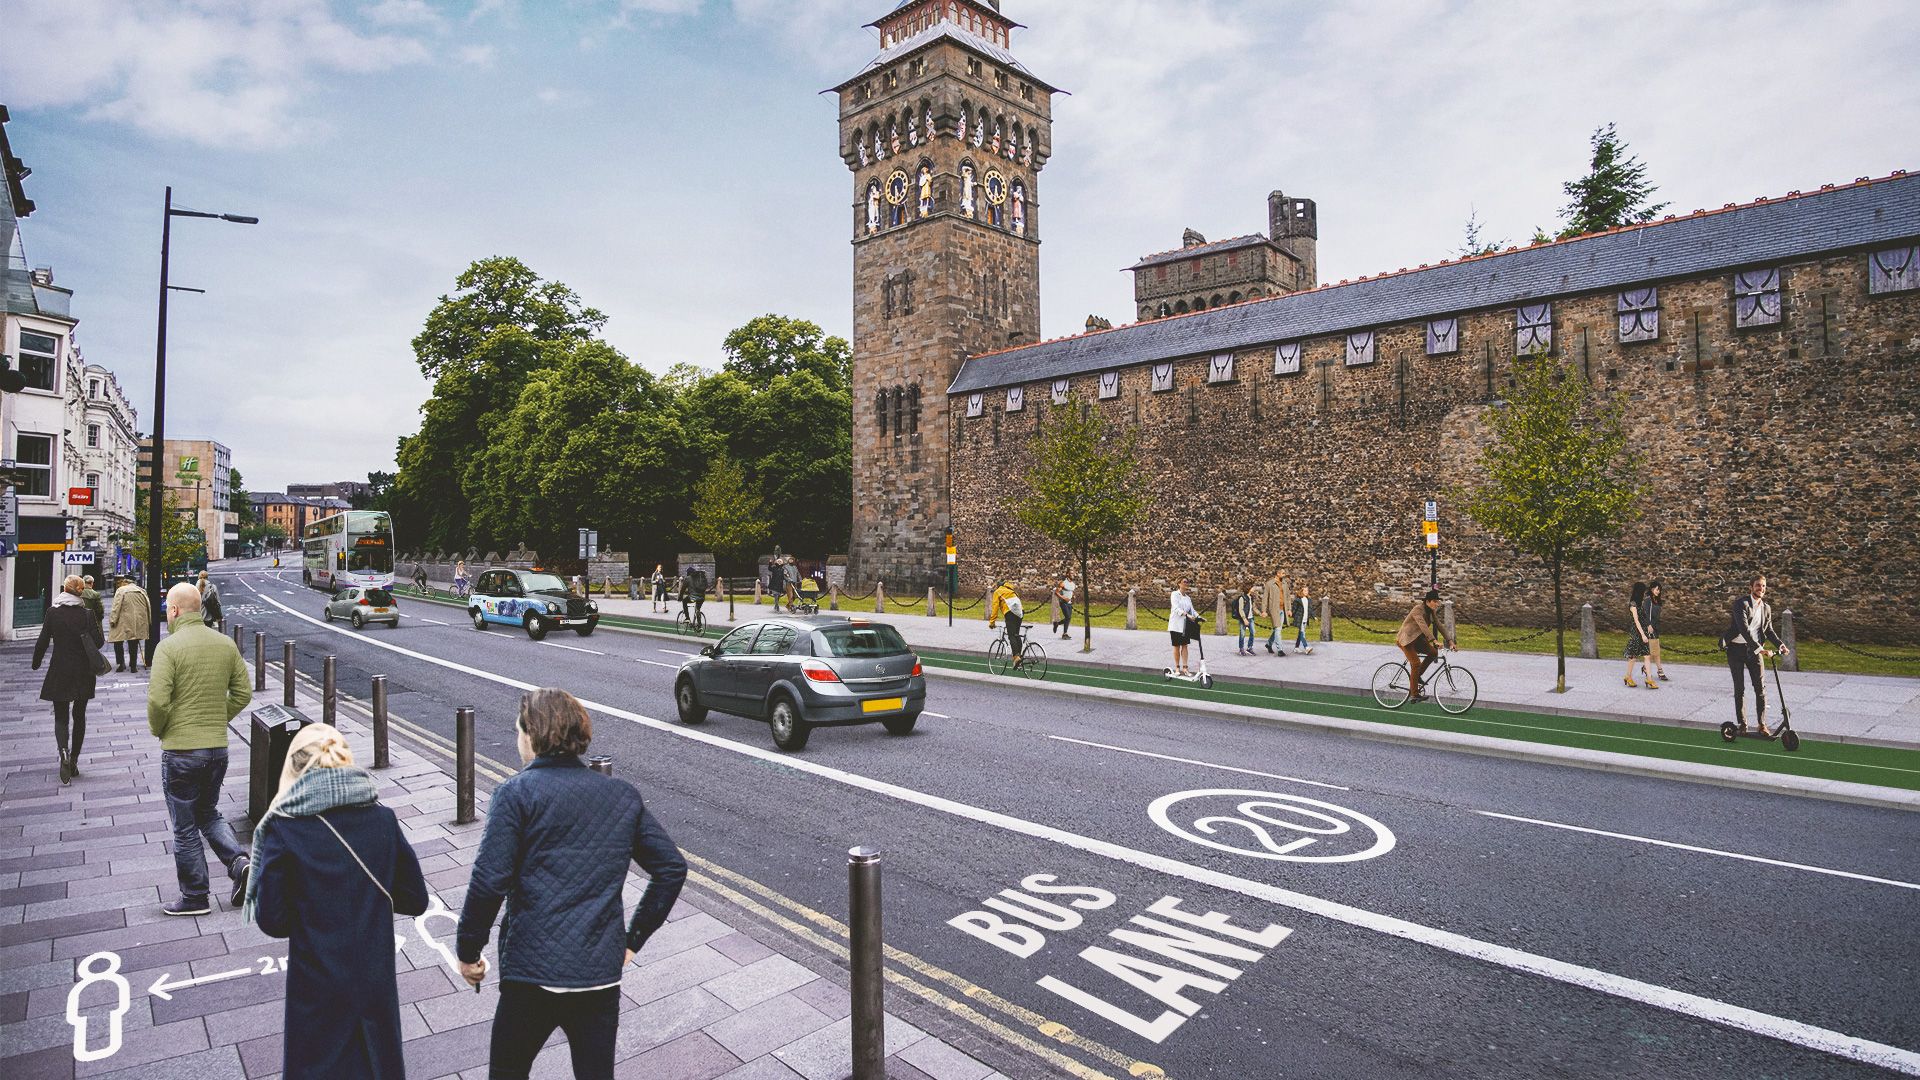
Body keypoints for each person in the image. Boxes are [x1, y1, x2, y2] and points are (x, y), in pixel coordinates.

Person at [456, 689, 686, 1080]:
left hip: (531, 972)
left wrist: (468, 952)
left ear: (532, 734)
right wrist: (632, 941)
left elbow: (489, 880)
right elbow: (671, 868)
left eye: (519, 731)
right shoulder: (621, 795)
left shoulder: (515, 794)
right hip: (598, 975)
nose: (517, 740)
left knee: (508, 1071)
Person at [247, 724, 427, 1080]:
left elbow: (273, 920)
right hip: (373, 980)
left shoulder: (284, 830)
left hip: (316, 985)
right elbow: (415, 899)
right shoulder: (383, 819)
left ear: (295, 770)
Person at [148, 582, 253, 916]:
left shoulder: (168, 648)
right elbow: (243, 693)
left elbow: (157, 701)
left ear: (175, 610)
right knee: (207, 812)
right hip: (217, 750)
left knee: (184, 827)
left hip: (181, 751)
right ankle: (240, 865)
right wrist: (216, 718)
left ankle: (195, 896)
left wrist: (160, 729)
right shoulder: (224, 643)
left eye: (168, 609)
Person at [33, 576, 105, 786]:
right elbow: (99, 642)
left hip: (60, 669)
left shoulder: (52, 613)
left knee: (61, 716)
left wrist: (36, 662)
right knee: (79, 715)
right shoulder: (87, 614)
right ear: (80, 591)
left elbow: (43, 640)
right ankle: (73, 760)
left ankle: (63, 751)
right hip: (83, 670)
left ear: (65, 589)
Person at [1723, 574, 1786, 735]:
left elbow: (1769, 630)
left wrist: (1780, 645)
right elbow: (1744, 630)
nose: (1761, 588)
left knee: (1760, 688)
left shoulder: (1766, 608)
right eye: (1758, 585)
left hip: (1754, 651)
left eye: (1763, 586)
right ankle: (1743, 724)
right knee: (1740, 688)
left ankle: (1762, 724)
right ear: (1751, 587)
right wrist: (1760, 649)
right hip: (1736, 649)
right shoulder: (1741, 604)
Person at [1395, 589, 1453, 702]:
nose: (1437, 604)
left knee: (1433, 653)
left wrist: (1450, 641)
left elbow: (1439, 625)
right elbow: (1423, 626)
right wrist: (1434, 640)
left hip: (1417, 640)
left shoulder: (1431, 611)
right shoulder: (1417, 610)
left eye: (1438, 601)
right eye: (1435, 601)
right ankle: (1414, 694)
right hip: (1406, 640)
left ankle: (1416, 677)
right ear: (1427, 601)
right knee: (1416, 663)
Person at [107, 574, 152, 673]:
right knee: (133, 642)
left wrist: (113, 620)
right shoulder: (141, 591)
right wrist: (148, 620)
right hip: (137, 621)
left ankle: (121, 664)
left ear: (125, 582)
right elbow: (148, 606)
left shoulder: (121, 590)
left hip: (122, 621)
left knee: (118, 642)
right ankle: (133, 666)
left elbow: (116, 607)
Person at [1624, 582, 1655, 689]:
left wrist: (1648, 626)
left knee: (1647, 656)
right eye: (1643, 591)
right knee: (1633, 657)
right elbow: (1636, 621)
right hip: (1637, 633)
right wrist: (1642, 635)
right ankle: (1628, 676)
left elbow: (1643, 618)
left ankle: (1649, 679)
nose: (1644, 593)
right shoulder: (1633, 604)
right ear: (1639, 591)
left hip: (1643, 631)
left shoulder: (1640, 603)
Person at [988, 579, 1025, 668]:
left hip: (1010, 612)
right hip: (1020, 612)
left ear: (998, 586)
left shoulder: (998, 592)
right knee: (1016, 635)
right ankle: (1019, 657)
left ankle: (1016, 657)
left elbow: (995, 607)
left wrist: (992, 622)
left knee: (1011, 635)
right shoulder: (1011, 590)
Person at [1168, 579, 1201, 675]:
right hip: (1175, 624)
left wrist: (1199, 617)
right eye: (1184, 582)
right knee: (1176, 646)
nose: (1186, 584)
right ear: (1179, 583)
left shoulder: (1188, 598)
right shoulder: (1174, 594)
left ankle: (1185, 668)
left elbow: (1192, 610)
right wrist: (1187, 615)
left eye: (1187, 582)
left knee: (1185, 645)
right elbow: (1176, 608)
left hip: (1185, 625)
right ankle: (1177, 668)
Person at [1261, 570, 1288, 655]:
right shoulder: (1269, 584)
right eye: (1283, 573)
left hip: (1283, 609)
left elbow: (1287, 597)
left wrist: (1289, 609)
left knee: (1277, 629)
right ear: (1278, 573)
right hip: (1274, 609)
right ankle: (1280, 650)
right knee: (1278, 628)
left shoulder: (1285, 583)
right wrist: (1264, 610)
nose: (1284, 575)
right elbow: (1265, 598)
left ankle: (1269, 644)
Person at [1646, 580, 1667, 681]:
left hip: (1656, 628)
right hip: (1650, 629)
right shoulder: (1648, 600)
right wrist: (1648, 625)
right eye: (1657, 589)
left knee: (1652, 651)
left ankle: (1645, 667)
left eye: (1659, 590)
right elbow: (1644, 613)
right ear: (1652, 589)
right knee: (1656, 652)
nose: (1658, 591)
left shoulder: (1657, 601)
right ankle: (1660, 671)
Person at [1233, 583, 1257, 656]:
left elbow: (1254, 608)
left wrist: (1260, 613)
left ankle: (1249, 648)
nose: (1254, 589)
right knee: (1242, 634)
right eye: (1253, 588)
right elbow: (1241, 610)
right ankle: (1241, 649)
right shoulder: (1242, 598)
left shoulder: (1251, 597)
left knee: (1253, 632)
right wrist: (1244, 619)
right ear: (1249, 589)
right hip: (1243, 619)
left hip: (1251, 618)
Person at [1292, 585, 1314, 654]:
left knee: (1300, 633)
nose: (1306, 592)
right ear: (1301, 591)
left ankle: (1296, 647)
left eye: (1307, 590)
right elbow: (1294, 609)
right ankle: (1306, 647)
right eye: (1305, 591)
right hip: (1300, 619)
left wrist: (1314, 616)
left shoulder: (1308, 600)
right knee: (1302, 633)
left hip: (1305, 619)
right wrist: (1293, 616)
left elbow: (1310, 609)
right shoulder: (1297, 600)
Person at [1054, 573, 1077, 639]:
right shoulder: (1063, 583)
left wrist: (1073, 596)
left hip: (1069, 603)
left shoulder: (1073, 584)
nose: (1074, 574)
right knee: (1068, 617)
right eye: (1072, 573)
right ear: (1068, 574)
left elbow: (1071, 592)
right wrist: (1064, 598)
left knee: (1068, 618)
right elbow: (1056, 592)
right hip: (1063, 602)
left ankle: (1057, 624)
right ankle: (1065, 634)